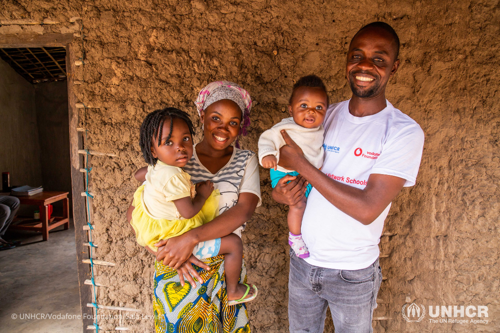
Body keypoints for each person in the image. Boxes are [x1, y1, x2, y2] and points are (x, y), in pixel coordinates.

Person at [272, 22, 425, 333]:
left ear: (394, 67)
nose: (365, 66)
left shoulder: (403, 132)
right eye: (358, 55)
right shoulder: (322, 115)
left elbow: (367, 209)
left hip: (352, 274)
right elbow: (284, 178)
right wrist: (282, 193)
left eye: (379, 59)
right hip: (302, 264)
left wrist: (303, 165)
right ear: (347, 61)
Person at [127, 81, 261, 332]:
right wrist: (164, 253)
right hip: (180, 268)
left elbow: (243, 210)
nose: (223, 128)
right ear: (202, 116)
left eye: (233, 122)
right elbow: (136, 212)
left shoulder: (246, 160)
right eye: (215, 118)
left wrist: (190, 238)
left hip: (226, 267)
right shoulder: (176, 161)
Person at [258, 75, 327, 258]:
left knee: (312, 203)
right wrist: (268, 155)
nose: (311, 112)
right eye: (303, 106)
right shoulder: (285, 128)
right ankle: (295, 237)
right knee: (298, 203)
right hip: (285, 174)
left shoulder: (320, 129)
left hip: (308, 173)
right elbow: (266, 139)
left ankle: (307, 234)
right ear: (291, 109)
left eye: (318, 107)